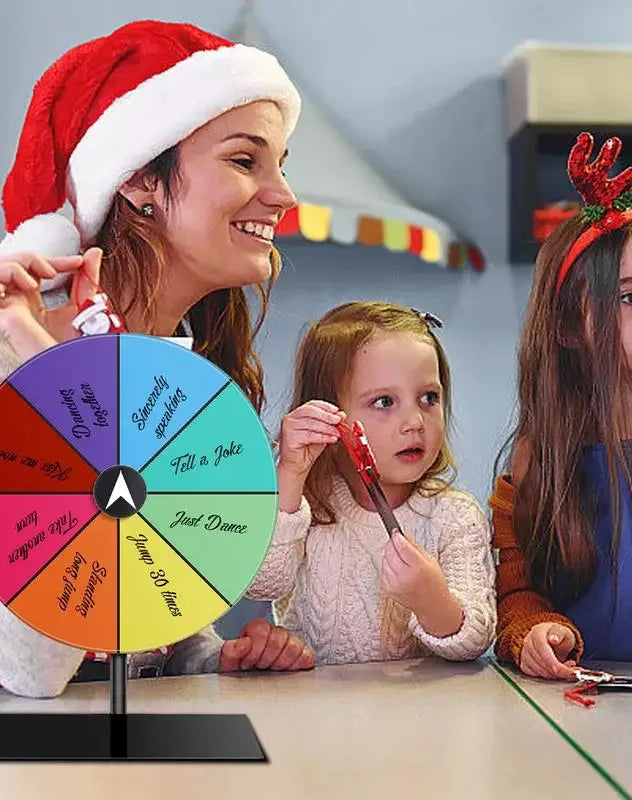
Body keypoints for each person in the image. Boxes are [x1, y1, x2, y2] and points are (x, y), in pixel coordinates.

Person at [0, 20, 316, 697]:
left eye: (281, 164)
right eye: (246, 161)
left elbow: (134, 592)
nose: (283, 195)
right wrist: (65, 385)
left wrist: (204, 657)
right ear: (138, 182)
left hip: (105, 715)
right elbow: (26, 662)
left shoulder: (174, 368)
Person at [247, 302, 496, 663]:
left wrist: (433, 602)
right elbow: (262, 584)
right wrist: (291, 473)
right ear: (329, 415)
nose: (415, 421)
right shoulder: (306, 507)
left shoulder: (455, 517)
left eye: (429, 398)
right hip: (311, 697)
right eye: (384, 402)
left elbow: (475, 641)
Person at [490, 132, 632, 679]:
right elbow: (517, 592)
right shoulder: (537, 459)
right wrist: (535, 631)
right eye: (629, 296)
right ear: (570, 326)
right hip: (580, 704)